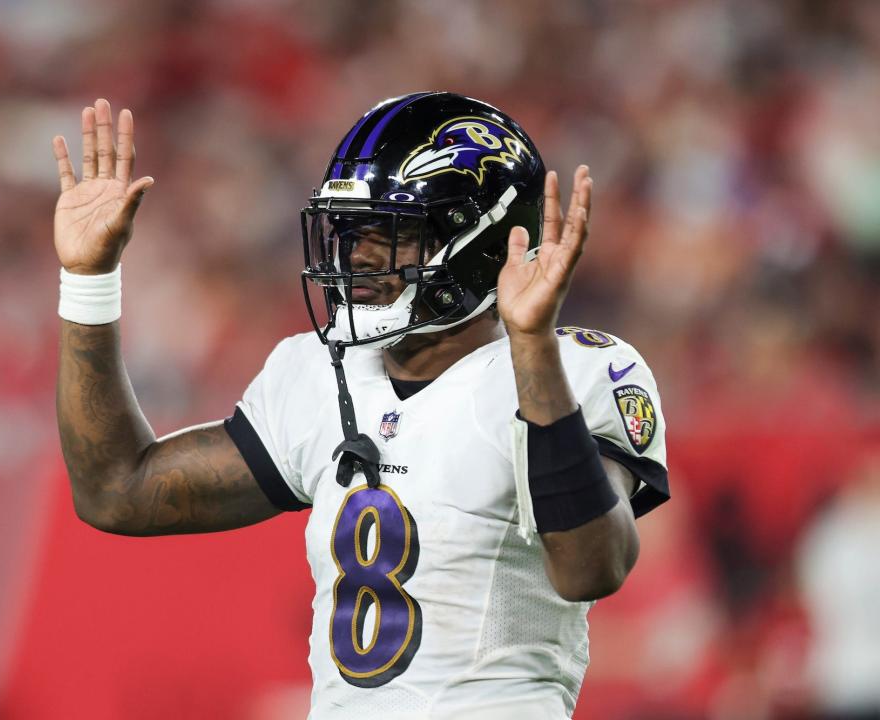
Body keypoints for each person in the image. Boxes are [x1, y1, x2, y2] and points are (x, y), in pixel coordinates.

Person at [52, 92, 669, 719]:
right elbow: (117, 490)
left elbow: (593, 568)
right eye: (348, 229)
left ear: (482, 243)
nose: (358, 254)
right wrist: (88, 281)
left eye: (389, 231)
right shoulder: (318, 373)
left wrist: (532, 345)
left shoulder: (581, 368)